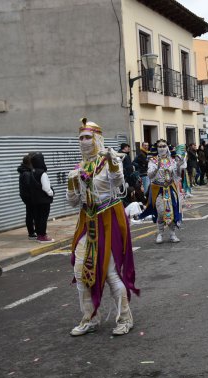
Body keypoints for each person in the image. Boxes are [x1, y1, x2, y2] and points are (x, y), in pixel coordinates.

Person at [66, 118, 138, 336]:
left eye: (88, 137)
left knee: (110, 273)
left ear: (97, 138)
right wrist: (72, 183)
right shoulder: (79, 168)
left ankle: (125, 318)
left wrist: (113, 162)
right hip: (87, 221)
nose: (84, 142)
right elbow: (73, 202)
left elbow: (118, 183)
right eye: (81, 138)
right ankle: (90, 317)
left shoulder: (108, 161)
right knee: (81, 272)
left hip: (108, 219)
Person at [140, 139, 184, 243]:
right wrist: (157, 167)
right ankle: (160, 233)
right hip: (158, 189)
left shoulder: (172, 160)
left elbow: (177, 176)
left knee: (172, 210)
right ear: (156, 148)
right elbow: (150, 175)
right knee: (161, 211)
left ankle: (172, 234)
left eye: (164, 146)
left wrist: (178, 166)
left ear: (167, 147)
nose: (162, 148)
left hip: (170, 188)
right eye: (160, 146)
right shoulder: (153, 160)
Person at [30, 152, 54, 242]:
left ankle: (39, 235)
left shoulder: (32, 172)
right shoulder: (42, 173)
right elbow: (46, 188)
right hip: (43, 200)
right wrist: (51, 193)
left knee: (37, 217)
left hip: (35, 200)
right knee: (43, 218)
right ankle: (43, 236)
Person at [17, 153, 37, 239]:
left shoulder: (25, 171)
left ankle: (32, 232)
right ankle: (32, 233)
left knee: (30, 213)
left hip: (26, 196)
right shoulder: (27, 173)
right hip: (29, 196)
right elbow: (29, 186)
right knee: (31, 214)